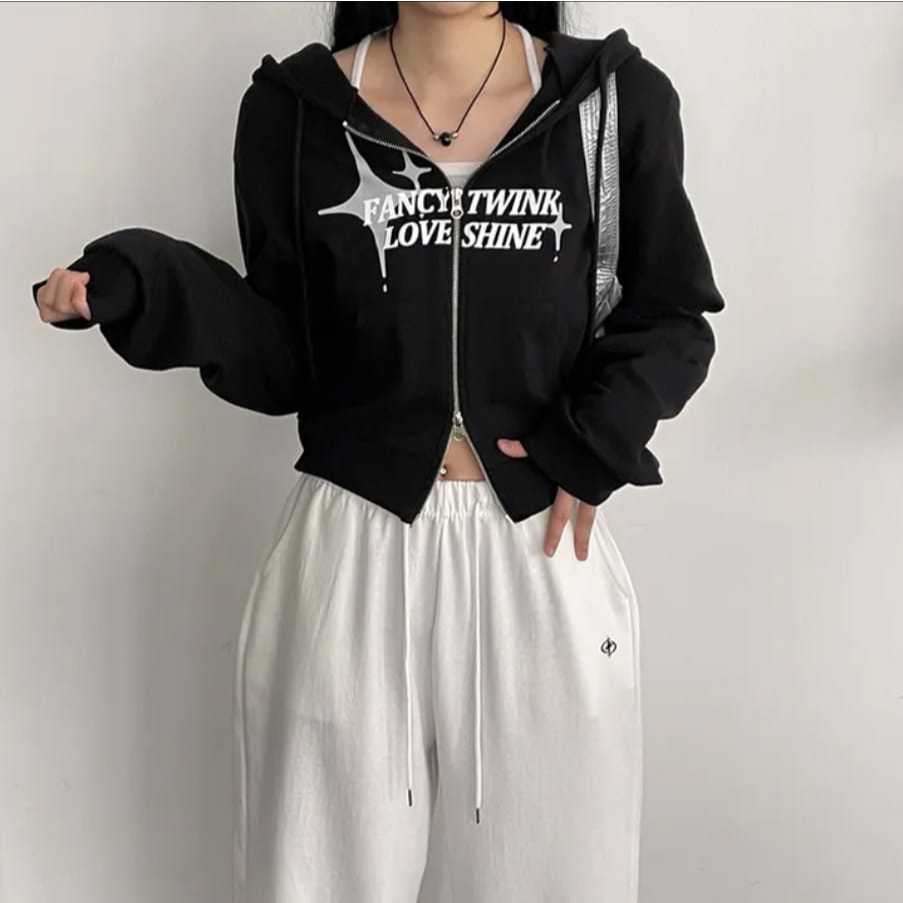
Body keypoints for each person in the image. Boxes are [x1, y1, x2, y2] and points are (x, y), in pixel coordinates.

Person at [31, 2, 725, 900]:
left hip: (542, 554)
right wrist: (141, 280)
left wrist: (590, 441)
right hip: (348, 554)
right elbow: (282, 349)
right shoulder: (296, 110)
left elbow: (671, 311)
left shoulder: (610, 103)